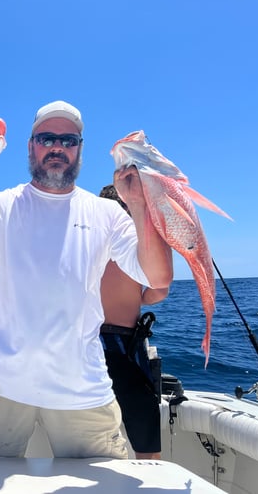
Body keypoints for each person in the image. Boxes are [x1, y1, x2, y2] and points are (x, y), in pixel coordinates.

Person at [0, 100, 173, 458]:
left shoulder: (107, 213)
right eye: (46, 138)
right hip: (0, 385)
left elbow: (158, 276)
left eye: (68, 140)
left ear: (80, 150)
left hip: (83, 389)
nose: (57, 147)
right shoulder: (0, 206)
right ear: (31, 146)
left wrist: (137, 205)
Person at [99, 184, 169, 459]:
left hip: (84, 347)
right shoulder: (140, 247)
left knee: (89, 437)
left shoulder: (85, 244)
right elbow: (158, 292)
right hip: (124, 347)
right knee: (146, 444)